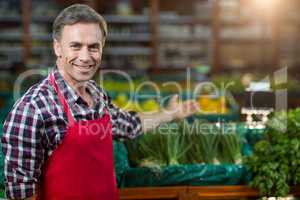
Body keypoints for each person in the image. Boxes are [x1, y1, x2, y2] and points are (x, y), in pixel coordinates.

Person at [1, 4, 199, 200]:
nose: (85, 57)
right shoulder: (33, 109)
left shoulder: (97, 94)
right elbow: (20, 194)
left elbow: (128, 125)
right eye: (76, 46)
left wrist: (171, 113)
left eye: (93, 47)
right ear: (57, 47)